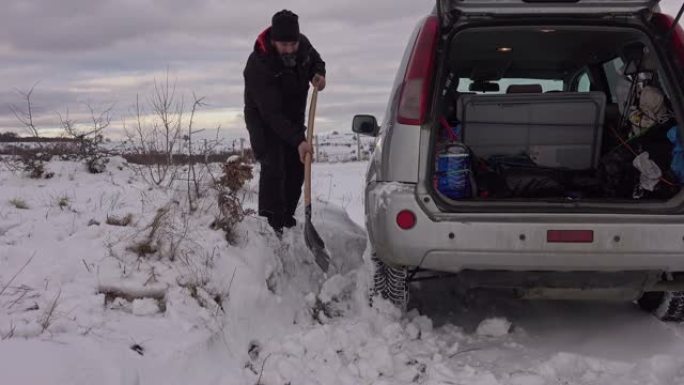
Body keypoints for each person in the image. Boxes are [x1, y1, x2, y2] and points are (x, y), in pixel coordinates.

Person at [243, 9, 326, 234]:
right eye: (284, 45)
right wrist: (299, 140)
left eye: (293, 44)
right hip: (264, 119)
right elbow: (271, 114)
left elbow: (316, 61)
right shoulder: (259, 64)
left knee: (297, 166)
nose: (289, 49)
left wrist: (318, 74)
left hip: (292, 116)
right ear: (273, 41)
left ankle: (286, 218)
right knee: (274, 166)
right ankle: (270, 226)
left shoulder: (303, 45)